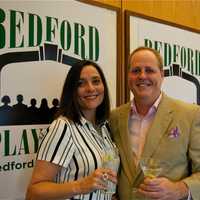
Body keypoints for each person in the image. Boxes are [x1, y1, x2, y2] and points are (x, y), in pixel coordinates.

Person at [109, 46, 200, 200]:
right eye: (136, 70)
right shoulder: (114, 117)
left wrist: (179, 189)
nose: (142, 76)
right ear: (128, 76)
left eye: (149, 70)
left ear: (162, 75)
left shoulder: (190, 115)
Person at [26, 60, 119, 200]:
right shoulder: (63, 127)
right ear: (72, 91)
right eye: (80, 84)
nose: (90, 88)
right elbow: (33, 192)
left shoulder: (104, 127)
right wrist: (81, 186)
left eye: (96, 81)